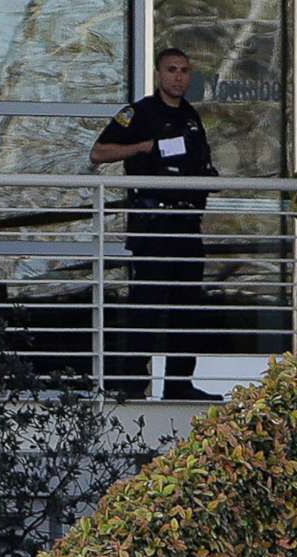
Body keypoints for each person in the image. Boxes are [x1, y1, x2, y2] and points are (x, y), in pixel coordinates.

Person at [91, 47, 222, 402]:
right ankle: (133, 384)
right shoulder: (140, 112)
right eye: (172, 70)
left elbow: (199, 163)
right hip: (153, 224)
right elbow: (99, 152)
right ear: (158, 73)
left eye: (184, 70)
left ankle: (178, 384)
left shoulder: (192, 117)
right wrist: (142, 147)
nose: (178, 77)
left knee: (186, 307)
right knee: (146, 305)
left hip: (186, 224)